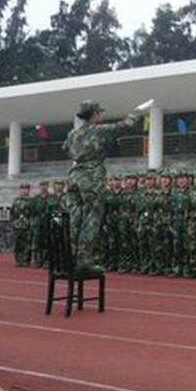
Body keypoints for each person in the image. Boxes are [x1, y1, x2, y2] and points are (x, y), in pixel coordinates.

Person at [63, 99, 145, 271]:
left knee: (75, 217)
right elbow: (126, 125)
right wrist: (136, 112)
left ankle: (71, 256)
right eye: (99, 112)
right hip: (91, 175)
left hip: (74, 175)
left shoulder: (72, 134)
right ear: (95, 114)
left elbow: (66, 148)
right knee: (92, 218)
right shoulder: (100, 130)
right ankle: (84, 259)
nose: (101, 115)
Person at [11, 182, 34, 266]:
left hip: (27, 224)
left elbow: (33, 213)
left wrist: (31, 223)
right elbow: (12, 213)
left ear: (29, 190)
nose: (24, 191)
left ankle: (25, 260)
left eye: (26, 189)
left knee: (27, 243)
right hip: (18, 225)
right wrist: (13, 222)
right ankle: (18, 260)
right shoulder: (16, 200)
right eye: (22, 189)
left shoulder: (31, 201)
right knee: (18, 244)